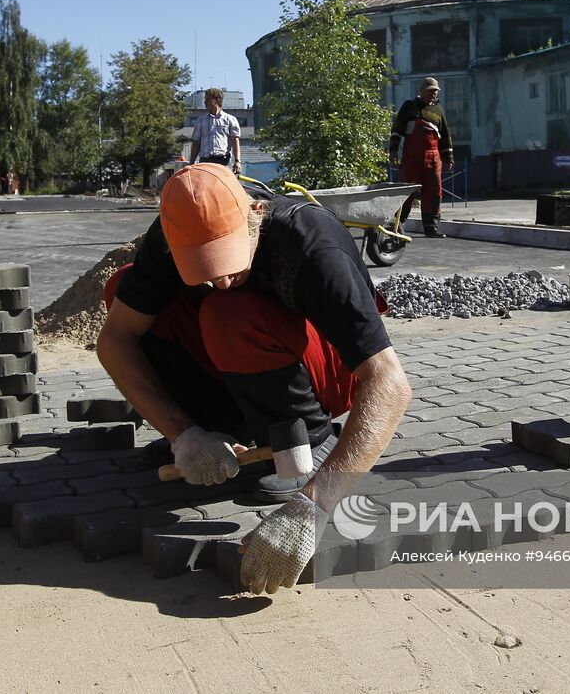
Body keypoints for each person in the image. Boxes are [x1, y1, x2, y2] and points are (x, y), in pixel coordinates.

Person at [96, 163, 411, 596]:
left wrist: (314, 507)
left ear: (256, 213)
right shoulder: (167, 240)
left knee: (226, 310)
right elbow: (114, 342)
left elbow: (390, 384)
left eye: (226, 260)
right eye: (204, 268)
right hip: (240, 357)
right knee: (125, 294)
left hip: (325, 373)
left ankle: (311, 444)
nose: (220, 278)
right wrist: (183, 434)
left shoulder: (312, 246)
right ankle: (223, 429)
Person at [390, 77, 454, 238]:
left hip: (433, 158)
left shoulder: (438, 110)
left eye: (436, 91)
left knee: (433, 191)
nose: (433, 94)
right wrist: (393, 150)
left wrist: (449, 158)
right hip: (411, 157)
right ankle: (398, 225)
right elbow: (397, 128)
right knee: (406, 190)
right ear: (422, 91)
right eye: (430, 91)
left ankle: (431, 226)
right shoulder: (409, 106)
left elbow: (445, 136)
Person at [188, 87, 242, 173]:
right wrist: (191, 163)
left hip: (223, 161)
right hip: (205, 161)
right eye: (205, 100)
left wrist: (237, 161)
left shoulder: (230, 119)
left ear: (217, 100)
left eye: (208, 99)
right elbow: (196, 142)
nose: (205, 102)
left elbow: (235, 141)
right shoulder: (200, 120)